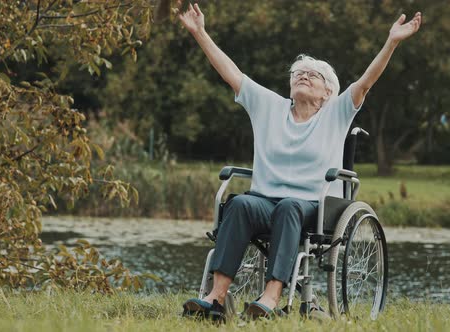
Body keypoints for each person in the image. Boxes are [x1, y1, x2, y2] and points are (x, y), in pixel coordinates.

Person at [177, 2, 422, 320]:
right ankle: (216, 298)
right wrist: (200, 33)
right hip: (265, 201)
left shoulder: (336, 113)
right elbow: (231, 74)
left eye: (313, 75)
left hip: (311, 207)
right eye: (298, 74)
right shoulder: (269, 107)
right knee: (238, 204)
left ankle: (272, 296)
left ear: (327, 93)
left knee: (289, 206)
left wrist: (392, 41)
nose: (304, 76)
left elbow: (366, 82)